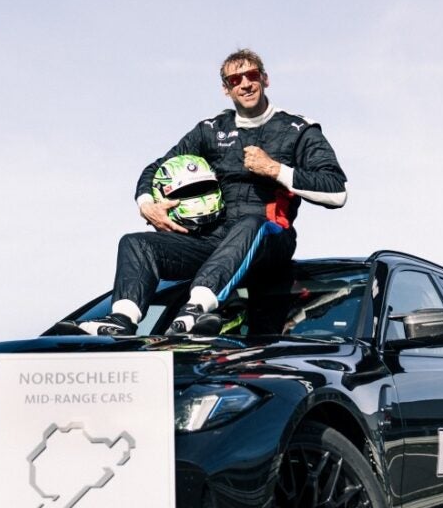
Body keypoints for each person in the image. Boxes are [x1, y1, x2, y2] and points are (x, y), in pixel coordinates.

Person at [84, 49, 347, 336]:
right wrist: (147, 202)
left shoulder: (298, 128)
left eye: (252, 75)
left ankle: (197, 309)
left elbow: (336, 190)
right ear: (226, 89)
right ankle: (122, 319)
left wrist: (275, 169)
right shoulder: (211, 129)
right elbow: (159, 166)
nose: (245, 84)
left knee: (251, 224)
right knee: (136, 243)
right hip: (214, 243)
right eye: (235, 79)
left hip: (270, 238)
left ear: (265, 80)